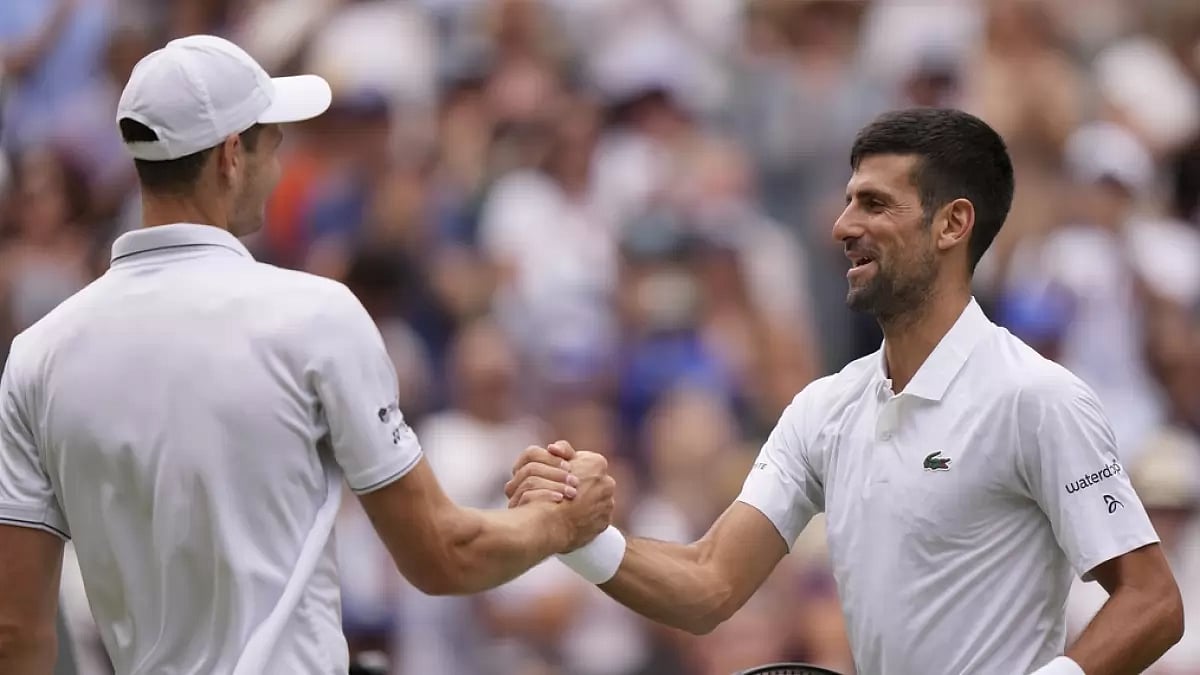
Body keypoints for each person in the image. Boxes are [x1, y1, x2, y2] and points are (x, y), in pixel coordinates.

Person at [0, 35, 614, 675]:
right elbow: (441, 553)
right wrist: (559, 525)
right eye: (272, 139)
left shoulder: (37, 355)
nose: (282, 158)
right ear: (232, 156)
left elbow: (14, 634)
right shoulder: (317, 316)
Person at [508, 108, 1184, 675]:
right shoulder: (821, 409)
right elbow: (709, 582)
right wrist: (579, 536)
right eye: (848, 199)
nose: (841, 224)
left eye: (875, 203)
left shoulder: (1036, 398)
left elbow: (1152, 601)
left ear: (951, 225)